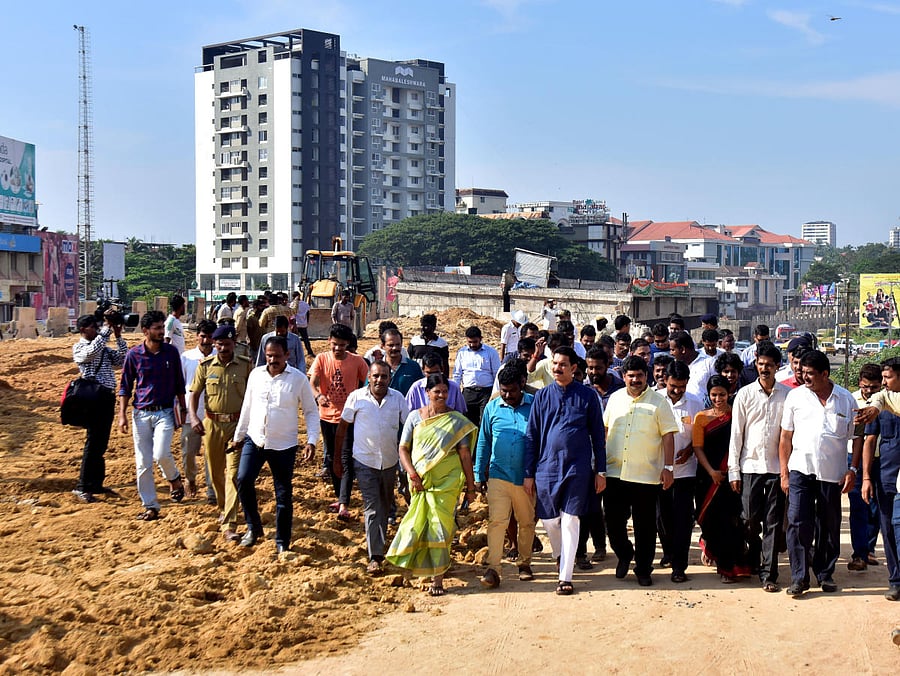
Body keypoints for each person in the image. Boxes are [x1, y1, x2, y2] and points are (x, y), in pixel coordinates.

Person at [386, 374, 478, 596]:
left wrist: (471, 486)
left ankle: (438, 579)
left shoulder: (456, 421)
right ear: (426, 393)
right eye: (436, 391)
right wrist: (412, 473)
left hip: (447, 483)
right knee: (419, 524)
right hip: (419, 482)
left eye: (445, 391)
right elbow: (403, 448)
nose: (441, 395)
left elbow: (465, 454)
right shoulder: (414, 418)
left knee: (441, 528)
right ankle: (422, 568)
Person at [524, 347, 606, 595]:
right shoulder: (542, 396)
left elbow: (598, 436)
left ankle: (565, 577)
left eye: (562, 364)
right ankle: (560, 556)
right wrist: (528, 473)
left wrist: (600, 470)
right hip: (546, 467)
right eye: (554, 363)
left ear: (574, 368)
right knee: (550, 521)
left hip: (577, 467)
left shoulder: (588, 396)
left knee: (571, 520)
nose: (557, 368)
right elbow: (532, 435)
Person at [779, 350, 859, 597]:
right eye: (802, 373)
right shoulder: (796, 397)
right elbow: (785, 437)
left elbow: (856, 438)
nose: (805, 378)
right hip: (800, 471)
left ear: (825, 374)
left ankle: (825, 573)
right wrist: (784, 472)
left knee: (829, 524)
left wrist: (852, 469)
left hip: (832, 474)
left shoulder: (846, 399)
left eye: (811, 374)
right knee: (798, 522)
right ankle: (799, 577)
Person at [230, 336, 318, 553]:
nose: (272, 360)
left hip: (284, 445)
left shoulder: (298, 379)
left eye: (277, 356)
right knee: (242, 479)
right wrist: (238, 436)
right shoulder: (256, 375)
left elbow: (310, 411)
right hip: (255, 439)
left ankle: (282, 542)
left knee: (283, 495)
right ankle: (253, 527)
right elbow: (247, 407)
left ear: (287, 355)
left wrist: (311, 441)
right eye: (269, 356)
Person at [603, 355, 677, 586]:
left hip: (646, 475)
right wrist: (599, 468)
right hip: (615, 472)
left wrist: (668, 468)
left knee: (645, 526)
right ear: (623, 376)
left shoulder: (659, 402)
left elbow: (668, 436)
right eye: (630, 376)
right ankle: (624, 553)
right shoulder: (614, 399)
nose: (635, 380)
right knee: (613, 523)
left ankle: (643, 569)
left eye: (639, 376)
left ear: (646, 376)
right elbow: (605, 431)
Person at [334, 361, 409, 574]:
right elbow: (342, 429)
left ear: (389, 378)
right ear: (369, 377)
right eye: (375, 376)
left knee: (385, 506)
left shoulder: (398, 399)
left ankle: (380, 543)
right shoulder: (356, 398)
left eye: (384, 376)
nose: (379, 380)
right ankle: (375, 556)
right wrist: (337, 459)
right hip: (364, 462)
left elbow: (409, 426)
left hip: (390, 462)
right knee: (373, 507)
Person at [727, 340, 789, 592]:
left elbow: (789, 435)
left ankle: (769, 574)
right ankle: (754, 554)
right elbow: (736, 435)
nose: (764, 369)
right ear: (755, 365)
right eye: (761, 364)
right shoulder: (744, 394)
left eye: (769, 365)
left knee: (773, 522)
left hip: (776, 467)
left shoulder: (787, 395)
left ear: (777, 367)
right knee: (749, 519)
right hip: (750, 466)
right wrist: (734, 470)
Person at [117, 311, 187, 521]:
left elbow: (179, 383)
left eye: (160, 327)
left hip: (165, 412)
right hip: (140, 414)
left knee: (161, 454)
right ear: (145, 331)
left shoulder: (171, 353)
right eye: (156, 328)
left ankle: (173, 478)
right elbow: (125, 387)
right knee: (143, 463)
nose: (160, 332)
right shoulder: (134, 355)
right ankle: (150, 506)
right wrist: (122, 415)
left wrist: (182, 409)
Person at [188, 324, 253, 541]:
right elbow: (194, 395)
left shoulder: (245, 366)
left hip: (237, 425)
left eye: (227, 344)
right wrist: (195, 418)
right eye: (220, 344)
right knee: (215, 473)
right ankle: (224, 507)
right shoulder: (205, 366)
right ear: (214, 344)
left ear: (234, 343)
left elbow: (253, 396)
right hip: (212, 425)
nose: (223, 348)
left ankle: (229, 523)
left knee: (233, 474)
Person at [476, 363, 536, 588]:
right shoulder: (492, 408)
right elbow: (484, 441)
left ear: (522, 385)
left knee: (527, 522)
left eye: (512, 390)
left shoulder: (534, 405)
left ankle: (524, 564)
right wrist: (479, 473)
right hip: (498, 474)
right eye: (504, 390)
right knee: (497, 522)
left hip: (526, 478)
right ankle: (493, 568)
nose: (508, 395)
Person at [694, 375, 751, 582]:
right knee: (709, 520)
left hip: (732, 476)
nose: (718, 399)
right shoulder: (701, 417)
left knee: (731, 522)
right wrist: (711, 471)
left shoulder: (737, 415)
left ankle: (730, 568)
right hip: (708, 478)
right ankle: (712, 549)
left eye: (722, 395)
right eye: (714, 395)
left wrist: (731, 471)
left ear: (730, 394)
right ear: (708, 395)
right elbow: (697, 448)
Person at [309, 323, 370, 507]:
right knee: (331, 456)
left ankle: (344, 501)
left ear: (348, 344)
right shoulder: (321, 359)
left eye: (342, 345)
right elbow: (312, 382)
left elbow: (368, 383)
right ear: (329, 341)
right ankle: (339, 496)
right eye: (334, 344)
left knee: (345, 457)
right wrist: (319, 396)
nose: (337, 348)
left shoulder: (357, 361)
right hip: (326, 416)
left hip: (348, 418)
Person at [71, 313, 128, 503]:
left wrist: (118, 336)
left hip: (106, 397)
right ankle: (82, 486)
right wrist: (105, 330)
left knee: (101, 443)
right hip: (92, 397)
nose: (96, 330)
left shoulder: (101, 347)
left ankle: (96, 484)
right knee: (93, 442)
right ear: (82, 330)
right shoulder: (80, 347)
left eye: (97, 327)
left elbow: (123, 359)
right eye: (92, 327)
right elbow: (90, 353)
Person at [657, 360, 704, 583]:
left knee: (683, 521)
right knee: (662, 518)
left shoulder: (695, 403)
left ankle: (679, 566)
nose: (677, 391)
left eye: (681, 386)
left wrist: (689, 451)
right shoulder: (655, 400)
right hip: (658, 471)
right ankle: (668, 551)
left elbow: (699, 434)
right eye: (673, 386)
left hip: (686, 472)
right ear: (665, 380)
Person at [861, 358, 900, 600]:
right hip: (886, 474)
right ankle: (895, 580)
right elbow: (869, 440)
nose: (884, 383)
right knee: (888, 528)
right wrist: (865, 477)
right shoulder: (881, 400)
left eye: (888, 378)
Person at [847, 363, 883, 571]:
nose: (869, 391)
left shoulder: (886, 401)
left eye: (874, 387)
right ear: (860, 382)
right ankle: (859, 553)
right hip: (856, 460)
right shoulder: (851, 400)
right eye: (866, 386)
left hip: (882, 459)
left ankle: (868, 548)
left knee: (877, 508)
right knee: (859, 506)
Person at [180, 319, 217, 501]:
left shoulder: (221, 356)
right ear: (197, 336)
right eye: (203, 336)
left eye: (210, 337)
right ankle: (190, 479)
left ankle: (211, 490)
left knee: (212, 454)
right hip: (191, 414)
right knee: (188, 453)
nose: (205, 341)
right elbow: (180, 387)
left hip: (214, 415)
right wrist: (180, 410)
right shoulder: (186, 358)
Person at [452, 325, 501, 429]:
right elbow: (457, 374)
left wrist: (495, 393)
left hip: (486, 392)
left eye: (475, 342)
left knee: (485, 421)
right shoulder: (462, 353)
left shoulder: (491, 352)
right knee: (468, 423)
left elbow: (497, 373)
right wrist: (455, 392)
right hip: (468, 392)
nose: (472, 344)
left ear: (480, 339)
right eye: (469, 342)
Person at [669, 330, 716, 401]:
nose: (671, 353)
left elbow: (717, 388)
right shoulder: (674, 366)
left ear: (683, 349)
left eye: (673, 350)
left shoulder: (709, 363)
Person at [381, 328, 423, 395]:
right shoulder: (376, 368)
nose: (395, 348)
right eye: (391, 345)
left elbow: (421, 391)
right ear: (383, 346)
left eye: (398, 344)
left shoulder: (413, 367)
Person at [291, 292, 314, 357]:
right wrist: (307, 322)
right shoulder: (305, 304)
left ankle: (295, 353)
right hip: (303, 324)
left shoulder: (292, 304)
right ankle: (310, 352)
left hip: (296, 325)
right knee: (306, 339)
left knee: (294, 340)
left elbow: (292, 315)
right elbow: (308, 314)